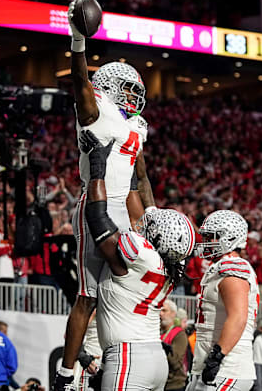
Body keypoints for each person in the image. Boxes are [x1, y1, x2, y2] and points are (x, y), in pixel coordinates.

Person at [54, 0, 156, 390]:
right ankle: (65, 374)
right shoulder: (94, 108)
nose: (135, 96)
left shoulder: (136, 125)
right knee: (88, 295)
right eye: (129, 88)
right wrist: (78, 40)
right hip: (94, 205)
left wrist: (152, 217)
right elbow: (80, 80)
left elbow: (141, 178)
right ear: (111, 87)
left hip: (123, 213)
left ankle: (112, 359)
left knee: (123, 287)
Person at [57, 130, 195, 391]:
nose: (150, 223)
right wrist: (129, 157)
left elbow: (98, 220)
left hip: (129, 358)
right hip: (154, 358)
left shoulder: (141, 254)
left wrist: (98, 169)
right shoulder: (169, 265)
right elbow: (139, 201)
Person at [188, 210, 260, 391]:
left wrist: (216, 358)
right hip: (212, 366)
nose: (206, 242)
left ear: (229, 238)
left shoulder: (233, 267)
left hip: (228, 368)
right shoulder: (218, 266)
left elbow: (238, 317)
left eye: (211, 237)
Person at [161, 300, 188, 391]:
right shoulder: (156, 332)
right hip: (158, 384)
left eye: (164, 311)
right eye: (159, 310)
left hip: (174, 385)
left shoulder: (179, 334)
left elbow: (174, 361)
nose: (160, 314)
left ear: (173, 314)